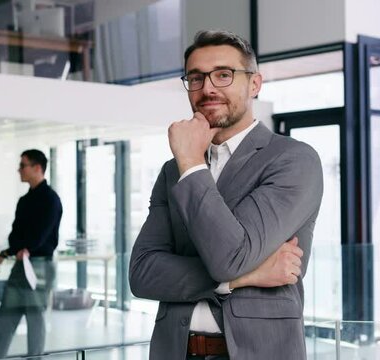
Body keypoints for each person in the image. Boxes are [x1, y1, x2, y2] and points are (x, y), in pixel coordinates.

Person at [129, 30, 324, 360]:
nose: (207, 88)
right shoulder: (170, 171)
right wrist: (240, 279)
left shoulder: (293, 159)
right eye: (196, 78)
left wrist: (191, 163)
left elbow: (230, 257)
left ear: (254, 84)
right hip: (176, 350)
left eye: (223, 74)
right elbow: (143, 273)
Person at [0, 149, 63, 359]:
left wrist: (24, 248)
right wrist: (10, 251)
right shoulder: (24, 201)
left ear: (37, 168)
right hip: (22, 265)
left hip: (39, 266)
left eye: (23, 165)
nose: (19, 170)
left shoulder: (51, 199)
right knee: (5, 316)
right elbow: (15, 237)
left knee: (35, 318)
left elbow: (39, 237)